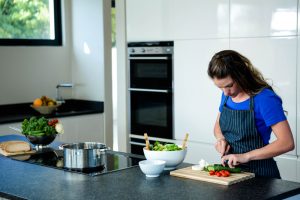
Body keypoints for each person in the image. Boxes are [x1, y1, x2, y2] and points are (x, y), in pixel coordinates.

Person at [207, 50, 294, 178]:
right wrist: (221, 139)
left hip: (261, 176)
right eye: (220, 87)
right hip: (232, 174)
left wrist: (246, 156)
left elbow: (287, 143)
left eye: (229, 85)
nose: (225, 92)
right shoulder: (226, 96)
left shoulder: (265, 98)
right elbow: (217, 127)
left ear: (241, 75)